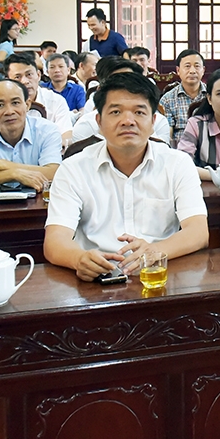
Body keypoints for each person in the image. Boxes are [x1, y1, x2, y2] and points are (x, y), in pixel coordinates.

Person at [44, 72, 208, 282]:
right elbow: (55, 241)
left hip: (160, 275)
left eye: (139, 112)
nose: (128, 121)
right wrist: (79, 259)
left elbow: (198, 231)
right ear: (99, 122)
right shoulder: (73, 169)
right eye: (115, 112)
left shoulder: (178, 164)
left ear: (153, 122)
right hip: (95, 282)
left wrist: (155, 251)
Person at [0, 79, 62, 191]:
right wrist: (14, 174)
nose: (9, 111)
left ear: (27, 105)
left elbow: (54, 173)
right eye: (0, 105)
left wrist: (0, 165)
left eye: (15, 103)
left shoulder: (47, 131)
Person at [72, 58, 173, 144]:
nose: (128, 121)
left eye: (130, 81)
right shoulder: (86, 125)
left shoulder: (159, 122)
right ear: (100, 88)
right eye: (116, 83)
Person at [5, 53, 73, 144]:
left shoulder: (56, 101)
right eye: (18, 77)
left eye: (29, 74)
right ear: (8, 80)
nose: (25, 81)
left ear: (38, 75)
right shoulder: (1, 104)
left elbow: (66, 133)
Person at [160, 49, 207, 144]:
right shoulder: (167, 99)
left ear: (203, 70)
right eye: (187, 66)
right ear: (178, 70)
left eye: (197, 66)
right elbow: (167, 134)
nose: (192, 71)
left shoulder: (212, 95)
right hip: (179, 150)